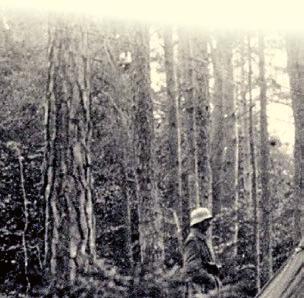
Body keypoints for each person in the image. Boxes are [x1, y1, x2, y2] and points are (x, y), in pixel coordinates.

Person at [184, 207, 221, 298]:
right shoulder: (193, 240)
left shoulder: (201, 239)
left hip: (205, 288)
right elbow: (192, 268)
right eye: (206, 221)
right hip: (199, 289)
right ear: (199, 223)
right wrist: (210, 279)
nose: (209, 224)